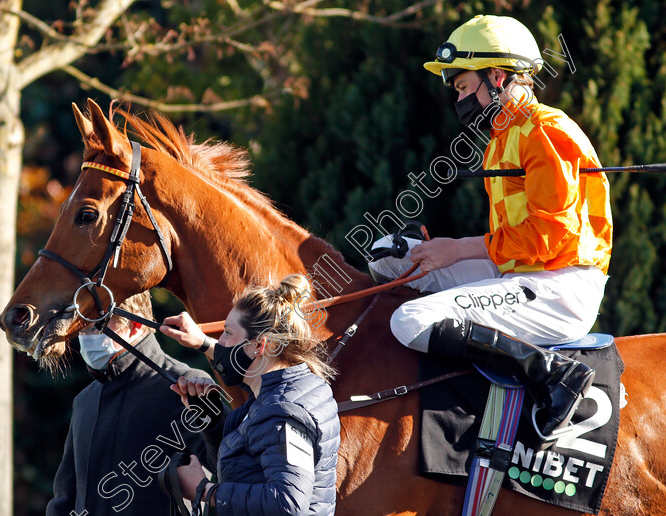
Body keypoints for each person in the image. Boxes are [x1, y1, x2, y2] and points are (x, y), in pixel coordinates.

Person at [370, 14, 612, 438]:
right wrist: (441, 247)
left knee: (408, 320)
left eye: (463, 87)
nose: (459, 99)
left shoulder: (545, 132)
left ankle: (554, 376)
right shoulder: (503, 137)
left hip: (562, 286)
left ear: (496, 77)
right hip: (520, 272)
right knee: (387, 256)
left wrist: (458, 249)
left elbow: (549, 237)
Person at [159, 274, 340, 516]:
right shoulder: (282, 390)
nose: (220, 342)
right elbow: (245, 465)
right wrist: (211, 418)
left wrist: (204, 491)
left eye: (227, 332)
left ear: (259, 345)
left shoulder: (282, 412)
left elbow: (288, 503)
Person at [46, 291, 211, 516]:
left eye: (96, 325)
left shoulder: (187, 383)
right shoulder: (85, 400)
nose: (85, 335)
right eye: (82, 327)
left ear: (134, 325)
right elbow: (65, 498)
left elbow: (226, 473)